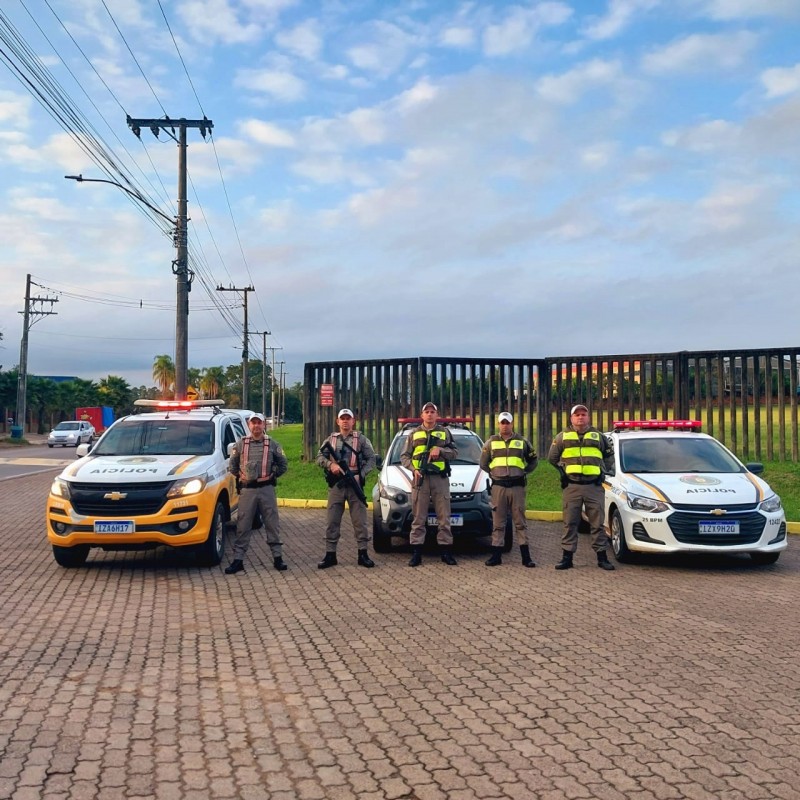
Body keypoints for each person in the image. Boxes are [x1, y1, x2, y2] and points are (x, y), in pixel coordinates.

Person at [548, 404, 616, 571]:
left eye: (583, 414)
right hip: (572, 486)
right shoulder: (562, 437)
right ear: (571, 418)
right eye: (577, 415)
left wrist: (603, 472)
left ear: (588, 417)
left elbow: (609, 456)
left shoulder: (599, 436)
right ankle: (567, 558)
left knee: (598, 523)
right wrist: (562, 473)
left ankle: (602, 558)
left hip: (594, 486)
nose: (580, 417)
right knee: (570, 522)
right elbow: (552, 458)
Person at [225, 412, 289, 575]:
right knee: (243, 525)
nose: (256, 426)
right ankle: (238, 560)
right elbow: (232, 466)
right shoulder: (240, 445)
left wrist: (272, 475)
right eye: (253, 423)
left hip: (266, 488)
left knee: (272, 524)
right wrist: (241, 476)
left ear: (263, 425)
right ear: (248, 424)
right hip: (247, 490)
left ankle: (277, 558)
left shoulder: (272, 444)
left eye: (259, 423)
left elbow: (283, 464)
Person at [316, 408, 378, 569]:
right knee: (332, 520)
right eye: (342, 418)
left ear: (353, 421)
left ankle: (362, 554)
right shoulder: (331, 439)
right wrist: (331, 465)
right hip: (336, 484)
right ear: (337, 421)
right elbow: (319, 456)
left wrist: (361, 475)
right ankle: (330, 555)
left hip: (354, 483)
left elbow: (372, 459)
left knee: (360, 521)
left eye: (347, 418)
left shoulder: (361, 439)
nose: (345, 421)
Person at [400, 402, 459, 567]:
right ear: (422, 415)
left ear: (437, 415)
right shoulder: (413, 434)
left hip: (440, 479)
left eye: (433, 412)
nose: (430, 414)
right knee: (418, 517)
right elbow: (404, 456)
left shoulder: (444, 432)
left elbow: (455, 452)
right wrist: (413, 469)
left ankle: (446, 552)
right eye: (427, 411)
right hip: (420, 478)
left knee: (444, 517)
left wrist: (441, 451)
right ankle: (416, 553)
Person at [479, 411, 538, 567]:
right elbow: (483, 463)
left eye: (508, 422)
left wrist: (524, 471)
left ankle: (526, 557)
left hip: (517, 486)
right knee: (498, 522)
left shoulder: (522, 441)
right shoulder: (491, 442)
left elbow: (533, 460)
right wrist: (494, 474)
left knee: (520, 522)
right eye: (502, 422)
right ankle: (496, 556)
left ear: (512, 424)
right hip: (499, 487)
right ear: (499, 424)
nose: (505, 425)